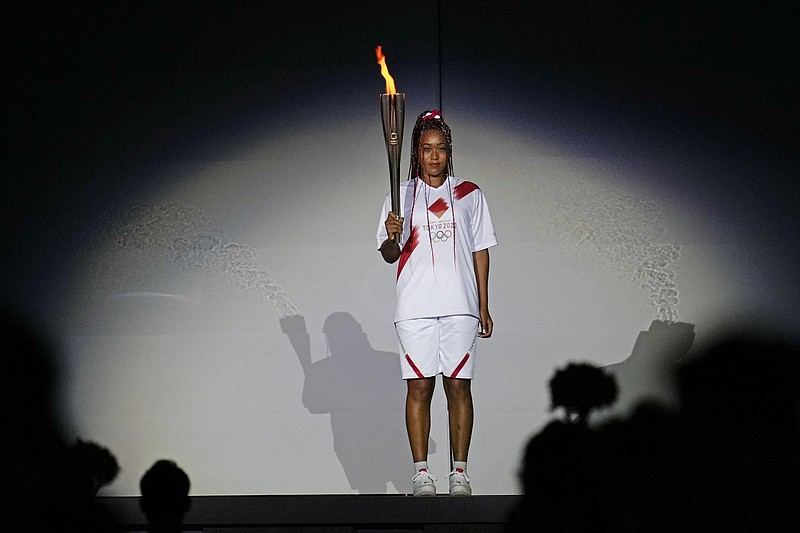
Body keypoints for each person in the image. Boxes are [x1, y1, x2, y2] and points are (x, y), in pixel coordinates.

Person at [377, 109, 498, 496]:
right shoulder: (401, 195)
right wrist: (393, 235)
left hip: (460, 305)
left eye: (441, 149)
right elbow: (389, 254)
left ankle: (459, 473)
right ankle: (422, 474)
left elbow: (481, 250)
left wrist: (483, 304)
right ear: (416, 152)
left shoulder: (469, 194)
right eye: (427, 149)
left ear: (448, 152)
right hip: (414, 308)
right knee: (419, 388)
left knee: (459, 388)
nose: (434, 156)